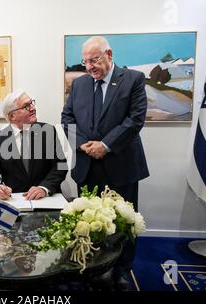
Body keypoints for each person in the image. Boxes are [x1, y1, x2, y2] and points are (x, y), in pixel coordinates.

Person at [61, 36, 149, 290]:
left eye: (95, 60)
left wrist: (106, 145)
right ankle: (90, 266)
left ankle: (122, 270)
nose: (89, 66)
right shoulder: (79, 85)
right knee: (88, 220)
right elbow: (67, 118)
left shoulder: (132, 79)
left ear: (109, 54)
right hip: (87, 165)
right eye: (86, 61)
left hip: (121, 165)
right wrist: (83, 144)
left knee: (123, 223)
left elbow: (134, 120)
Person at [0, 90, 67, 201]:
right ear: (12, 116)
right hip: (15, 203)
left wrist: (44, 188)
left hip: (46, 200)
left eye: (32, 103)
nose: (33, 108)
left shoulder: (48, 131)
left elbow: (60, 165)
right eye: (26, 106)